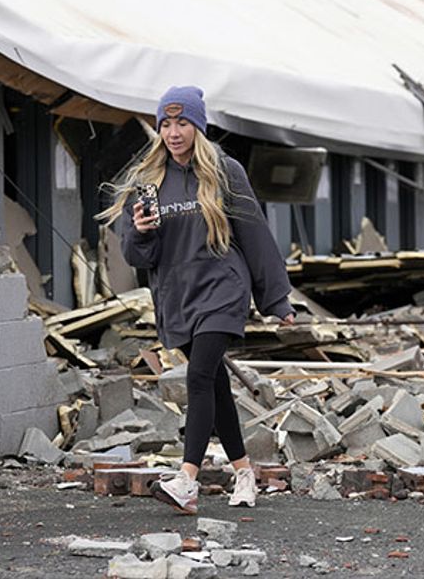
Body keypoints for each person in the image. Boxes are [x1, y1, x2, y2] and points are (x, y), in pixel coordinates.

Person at [98, 85, 295, 514]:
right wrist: (140, 230)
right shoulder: (148, 182)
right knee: (215, 385)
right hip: (178, 295)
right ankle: (244, 472)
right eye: (165, 124)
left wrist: (276, 299)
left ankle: (187, 479)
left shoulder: (225, 172)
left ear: (198, 127)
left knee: (200, 376)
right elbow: (136, 257)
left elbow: (255, 234)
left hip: (223, 287)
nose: (173, 132)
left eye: (182, 122)